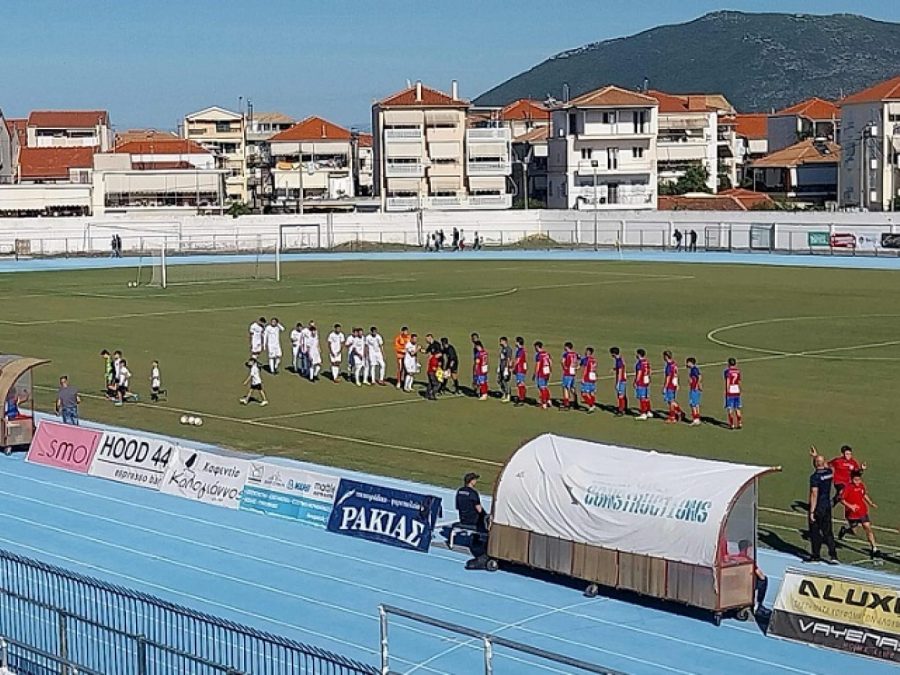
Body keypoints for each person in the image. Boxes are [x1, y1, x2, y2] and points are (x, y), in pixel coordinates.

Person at [838, 471, 879, 557]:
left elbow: (864, 495)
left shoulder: (861, 485)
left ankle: (874, 548)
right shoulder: (848, 488)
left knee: (868, 527)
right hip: (852, 514)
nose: (857, 482)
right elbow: (841, 499)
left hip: (862, 511)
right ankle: (845, 530)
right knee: (854, 532)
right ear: (852, 479)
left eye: (859, 480)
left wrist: (870, 503)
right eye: (855, 480)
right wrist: (851, 506)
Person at [808, 454, 839, 564]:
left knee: (815, 532)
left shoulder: (815, 477)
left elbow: (814, 494)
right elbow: (827, 466)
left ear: (815, 464)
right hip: (827, 505)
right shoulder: (829, 473)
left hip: (818, 507)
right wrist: (816, 456)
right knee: (828, 532)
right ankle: (833, 555)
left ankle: (815, 555)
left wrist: (812, 511)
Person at [662, 350, 682, 424]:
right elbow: (676, 374)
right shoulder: (674, 364)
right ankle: (679, 412)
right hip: (674, 384)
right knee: (672, 400)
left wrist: (665, 387)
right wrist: (677, 384)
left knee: (670, 402)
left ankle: (672, 417)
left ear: (666, 356)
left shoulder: (669, 366)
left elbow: (668, 377)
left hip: (670, 385)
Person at [724, 357, 742, 430]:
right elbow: (739, 381)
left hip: (731, 389)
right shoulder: (738, 371)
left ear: (728, 364)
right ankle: (739, 423)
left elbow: (728, 381)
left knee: (730, 408)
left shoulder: (727, 371)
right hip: (736, 389)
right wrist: (740, 389)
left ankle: (732, 424)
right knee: (737, 408)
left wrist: (727, 390)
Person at [633, 349, 652, 420]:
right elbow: (650, 371)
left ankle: (643, 413)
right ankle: (648, 411)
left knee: (642, 397)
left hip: (641, 382)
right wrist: (648, 378)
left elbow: (639, 373)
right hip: (646, 381)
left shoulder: (640, 363)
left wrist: (636, 381)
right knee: (646, 397)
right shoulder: (646, 362)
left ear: (639, 354)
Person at [533, 341, 552, 409]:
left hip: (541, 373)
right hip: (547, 372)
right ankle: (548, 400)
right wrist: (550, 370)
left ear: (537, 347)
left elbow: (538, 365)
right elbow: (550, 362)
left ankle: (544, 403)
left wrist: (535, 374)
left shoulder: (538, 355)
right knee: (545, 386)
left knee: (541, 387)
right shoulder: (547, 353)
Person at [610, 347, 628, 416]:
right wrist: (614, 369)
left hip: (621, 380)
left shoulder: (619, 361)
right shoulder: (620, 359)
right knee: (623, 395)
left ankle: (621, 410)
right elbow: (622, 366)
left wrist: (618, 383)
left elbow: (620, 372)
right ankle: (624, 408)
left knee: (620, 395)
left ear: (613, 354)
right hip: (623, 379)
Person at [560, 342, 578, 410]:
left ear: (567, 347)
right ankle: (575, 400)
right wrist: (576, 366)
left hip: (567, 373)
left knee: (565, 387)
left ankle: (566, 404)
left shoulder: (566, 354)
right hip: (573, 372)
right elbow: (579, 360)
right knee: (572, 387)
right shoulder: (575, 354)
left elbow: (562, 361)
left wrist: (564, 367)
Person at [580, 347, 598, 413]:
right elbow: (594, 369)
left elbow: (585, 369)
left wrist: (583, 378)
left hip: (587, 378)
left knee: (584, 393)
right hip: (592, 378)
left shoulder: (586, 359)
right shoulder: (594, 360)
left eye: (586, 351)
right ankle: (593, 404)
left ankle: (591, 405)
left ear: (588, 352)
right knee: (592, 393)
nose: (585, 352)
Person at [686, 357, 702, 426]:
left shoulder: (693, 370)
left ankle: (696, 419)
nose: (686, 364)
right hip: (695, 389)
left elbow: (699, 377)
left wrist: (696, 385)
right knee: (696, 404)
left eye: (687, 363)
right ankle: (697, 419)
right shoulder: (695, 369)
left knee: (693, 404)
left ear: (690, 363)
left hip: (694, 389)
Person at [512, 336, 528, 406]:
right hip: (521, 369)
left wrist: (513, 367)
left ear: (518, 342)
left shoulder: (520, 351)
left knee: (520, 384)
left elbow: (518, 360)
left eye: (516, 341)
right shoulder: (522, 350)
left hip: (520, 369)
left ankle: (521, 399)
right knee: (521, 383)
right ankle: (522, 397)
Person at [497, 337, 512, 403]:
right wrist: (499, 367)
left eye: (501, 341)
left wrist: (507, 368)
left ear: (504, 341)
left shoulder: (508, 349)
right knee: (500, 380)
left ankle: (508, 395)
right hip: (501, 367)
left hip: (505, 367)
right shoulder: (503, 349)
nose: (500, 343)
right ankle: (504, 393)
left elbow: (509, 359)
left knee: (505, 381)